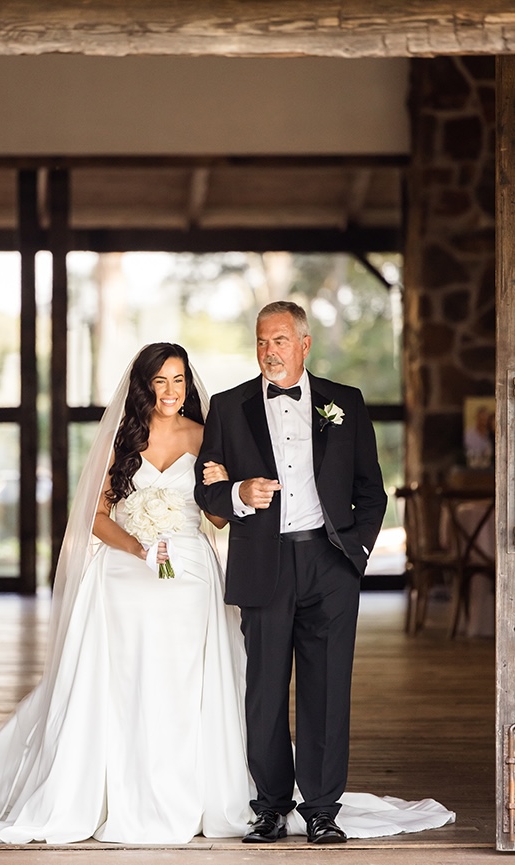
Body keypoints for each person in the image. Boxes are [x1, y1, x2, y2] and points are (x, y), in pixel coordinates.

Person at [0, 343, 254, 844]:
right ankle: (109, 790)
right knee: (125, 681)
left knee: (184, 684)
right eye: (160, 381)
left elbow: (216, 519)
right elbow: (95, 518)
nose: (170, 391)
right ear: (145, 386)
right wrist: (140, 549)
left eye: (179, 380)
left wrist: (224, 484)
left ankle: (188, 791)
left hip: (189, 579)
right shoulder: (124, 439)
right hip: (125, 576)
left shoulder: (208, 436)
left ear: (189, 384)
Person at [194, 300, 388, 845]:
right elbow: (206, 491)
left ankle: (323, 809)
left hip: (330, 565)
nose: (269, 351)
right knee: (265, 689)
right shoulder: (229, 407)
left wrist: (357, 556)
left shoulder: (344, 403)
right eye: (261, 341)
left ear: (304, 344)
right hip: (264, 562)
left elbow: (371, 490)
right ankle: (272, 807)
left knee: (328, 689)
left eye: (280, 340)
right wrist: (238, 493)